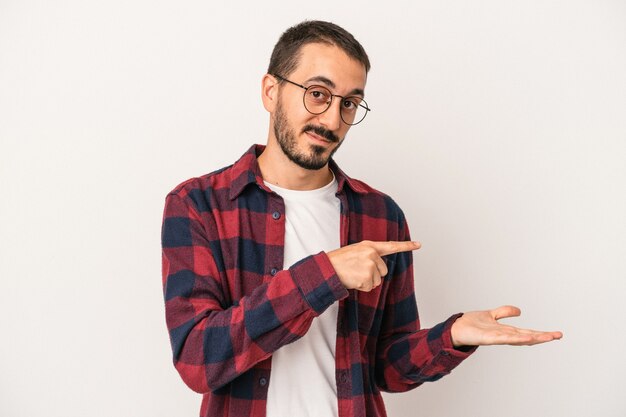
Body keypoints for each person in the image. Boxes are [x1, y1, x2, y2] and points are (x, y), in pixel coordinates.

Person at [161, 20, 562, 417]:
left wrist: (451, 337)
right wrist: (324, 274)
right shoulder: (199, 205)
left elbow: (388, 369)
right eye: (317, 94)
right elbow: (198, 360)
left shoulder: (381, 215)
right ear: (271, 91)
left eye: (349, 103)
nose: (333, 121)